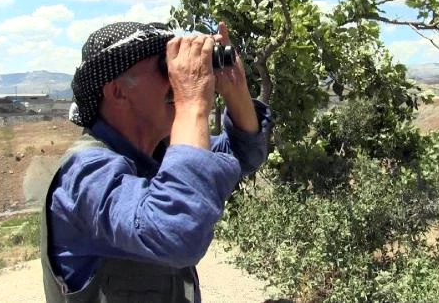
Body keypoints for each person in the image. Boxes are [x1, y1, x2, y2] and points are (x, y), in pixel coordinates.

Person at [40, 21, 271, 302]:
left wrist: (235, 86)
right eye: (165, 67)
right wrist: (191, 102)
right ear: (118, 92)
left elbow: (244, 153)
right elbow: (177, 232)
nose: (176, 77)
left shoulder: (158, 152)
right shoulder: (86, 175)